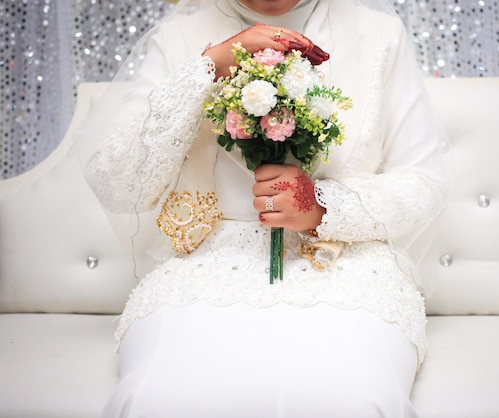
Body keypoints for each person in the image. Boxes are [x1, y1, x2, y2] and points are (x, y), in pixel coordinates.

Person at [76, 0, 448, 416]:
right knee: (160, 400)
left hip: (346, 264)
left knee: (351, 398)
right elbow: (119, 187)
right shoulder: (180, 34)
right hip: (205, 265)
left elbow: (423, 184)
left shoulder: (378, 32)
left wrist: (322, 207)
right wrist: (210, 66)